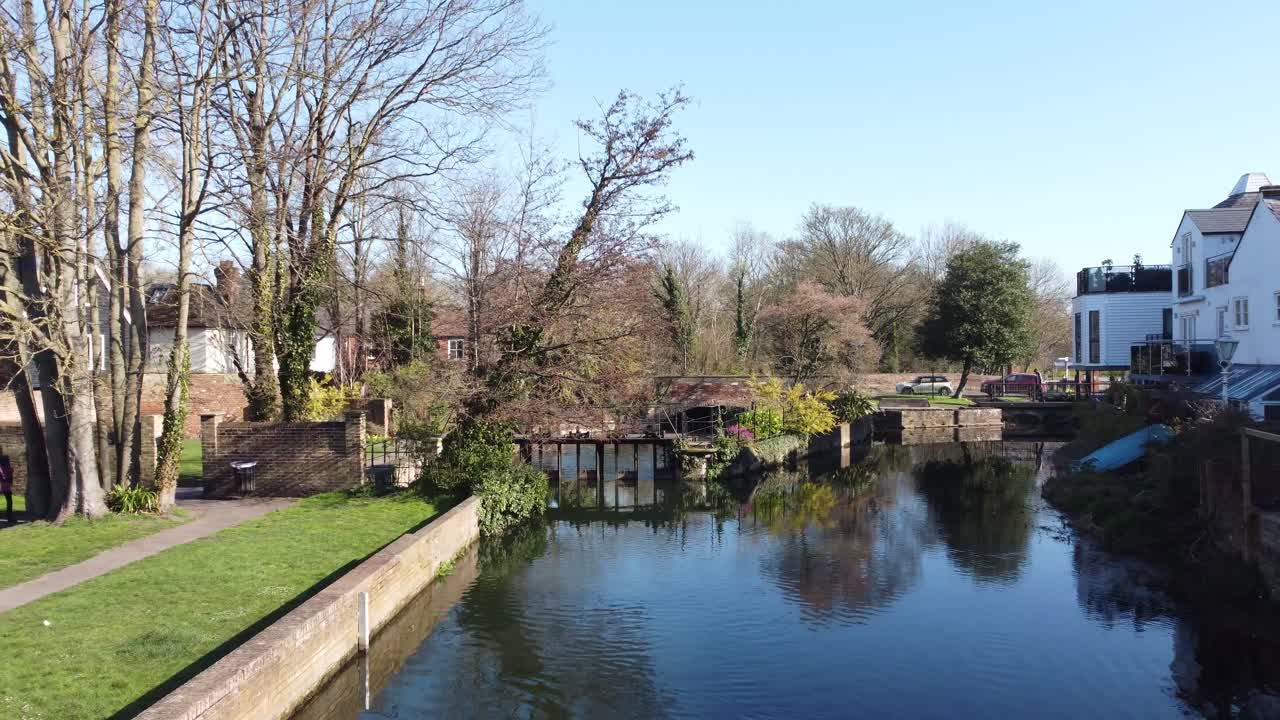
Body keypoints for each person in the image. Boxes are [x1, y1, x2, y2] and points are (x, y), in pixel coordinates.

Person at [0, 448, 12, 524]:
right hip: (4, 482)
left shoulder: (5, 459)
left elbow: (9, 470)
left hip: (5, 482)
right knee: (9, 500)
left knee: (9, 500)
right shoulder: (5, 459)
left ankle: (10, 517)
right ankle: (10, 517)